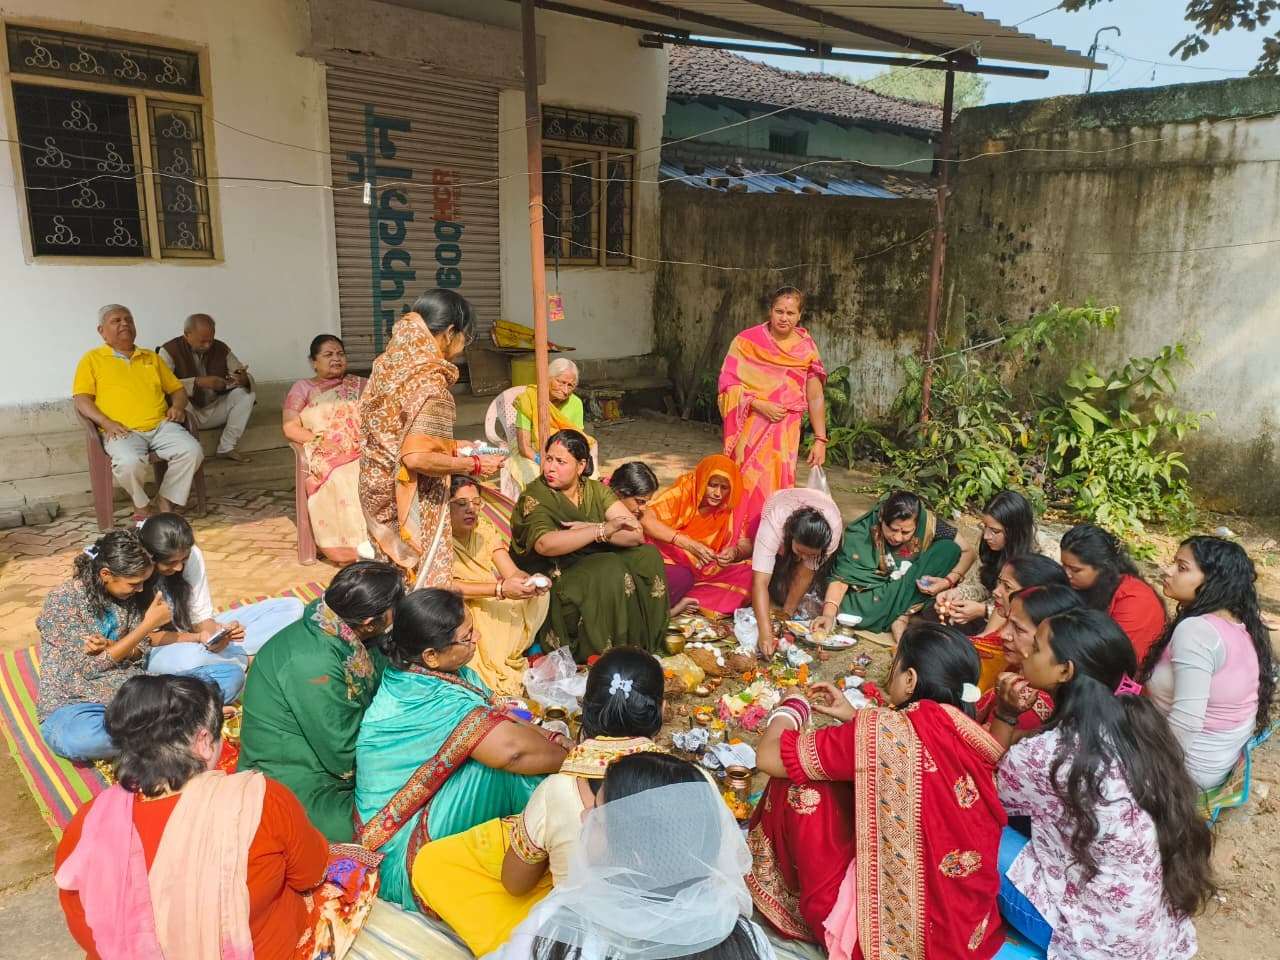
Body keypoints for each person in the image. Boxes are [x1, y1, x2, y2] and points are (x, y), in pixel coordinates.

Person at [748, 623, 1006, 959]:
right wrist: (854, 717)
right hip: (960, 931)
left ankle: (802, 903)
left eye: (895, 666)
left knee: (799, 783)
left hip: (885, 942)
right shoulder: (966, 731)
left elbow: (768, 758)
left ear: (910, 680)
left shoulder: (884, 732)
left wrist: (791, 709)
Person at [55, 675, 330, 960]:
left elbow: (83, 927)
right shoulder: (257, 799)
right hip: (270, 951)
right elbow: (310, 875)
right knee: (342, 874)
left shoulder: (89, 821)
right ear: (203, 741)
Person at [413, 647, 667, 954]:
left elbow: (515, 884)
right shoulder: (694, 782)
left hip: (579, 942)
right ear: (662, 708)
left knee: (431, 863)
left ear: (585, 707)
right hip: (672, 934)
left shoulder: (557, 791)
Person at [993, 607, 1213, 959]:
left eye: (1035, 648)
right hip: (1145, 931)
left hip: (1096, 942)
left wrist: (1005, 714)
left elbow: (986, 790)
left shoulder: (1048, 754)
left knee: (973, 833)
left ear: (1065, 671)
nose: (1025, 652)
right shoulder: (1136, 724)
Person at [354, 588, 568, 912]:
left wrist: (550, 737)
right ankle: (548, 850)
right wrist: (574, 758)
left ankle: (541, 845)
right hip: (398, 851)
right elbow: (511, 751)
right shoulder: (425, 695)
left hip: (427, 809)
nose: (478, 638)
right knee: (507, 769)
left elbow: (500, 716)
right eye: (467, 636)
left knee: (525, 754)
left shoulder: (441, 672)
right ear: (431, 655)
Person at [489, 751, 775, 960]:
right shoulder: (746, 940)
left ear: (635, 857)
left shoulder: (558, 932)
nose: (584, 815)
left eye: (598, 814)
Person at [37, 530, 244, 761]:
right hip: (77, 702)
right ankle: (185, 721)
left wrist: (115, 644)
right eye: (134, 584)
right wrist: (147, 625)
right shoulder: (62, 601)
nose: (140, 589)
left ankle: (168, 724)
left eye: (143, 582)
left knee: (231, 675)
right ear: (106, 574)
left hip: (136, 696)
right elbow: (89, 668)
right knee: (83, 740)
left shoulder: (129, 596)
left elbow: (140, 653)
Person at [237, 561, 404, 842]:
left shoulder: (347, 632)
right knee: (385, 822)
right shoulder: (312, 663)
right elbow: (342, 751)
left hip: (327, 754)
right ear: (368, 622)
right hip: (294, 776)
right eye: (396, 608)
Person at [360, 289, 505, 586]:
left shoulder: (389, 364)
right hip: (406, 496)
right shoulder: (429, 381)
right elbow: (416, 458)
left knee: (390, 573)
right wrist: (475, 465)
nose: (463, 348)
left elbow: (398, 431)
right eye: (465, 337)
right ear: (450, 333)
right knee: (419, 578)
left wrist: (451, 446)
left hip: (375, 485)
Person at [509, 430, 668, 659]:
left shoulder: (594, 490)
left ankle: (645, 643)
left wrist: (594, 529)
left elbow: (635, 534)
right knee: (609, 566)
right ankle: (604, 655)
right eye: (548, 459)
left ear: (581, 465)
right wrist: (600, 530)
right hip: (556, 571)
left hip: (591, 558)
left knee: (647, 555)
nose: (550, 468)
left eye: (561, 462)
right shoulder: (536, 496)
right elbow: (544, 544)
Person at [1142, 536, 1274, 790]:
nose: (1167, 571)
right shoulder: (1237, 623)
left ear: (1213, 581)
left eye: (1182, 568)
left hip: (1186, 769)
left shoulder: (1196, 631)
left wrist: (1156, 775)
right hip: (1217, 762)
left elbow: (1187, 721)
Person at [72, 304, 203, 518]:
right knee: (128, 463)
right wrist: (105, 422)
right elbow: (81, 399)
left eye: (129, 320)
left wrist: (178, 407)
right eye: (116, 321)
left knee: (192, 451)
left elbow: (178, 390)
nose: (125, 323)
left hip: (161, 426)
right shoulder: (92, 359)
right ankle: (141, 504)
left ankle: (166, 498)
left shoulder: (151, 357)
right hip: (122, 430)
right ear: (101, 331)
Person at [139, 512, 304, 672]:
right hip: (162, 648)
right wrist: (198, 639)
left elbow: (200, 616)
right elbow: (145, 639)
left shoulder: (191, 554)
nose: (179, 567)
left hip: (193, 634)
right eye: (170, 562)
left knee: (291, 607)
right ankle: (245, 659)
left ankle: (230, 658)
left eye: (184, 560)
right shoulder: (135, 570)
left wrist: (219, 635)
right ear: (151, 557)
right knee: (192, 659)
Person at [718, 286, 827, 527]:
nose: (784, 318)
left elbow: (816, 396)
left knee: (777, 486)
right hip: (750, 427)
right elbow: (728, 384)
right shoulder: (746, 342)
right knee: (746, 482)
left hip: (785, 433)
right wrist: (758, 404)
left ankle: (770, 537)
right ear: (770, 310)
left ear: (800, 315)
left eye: (790, 313)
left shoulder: (806, 348)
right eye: (779, 311)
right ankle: (736, 536)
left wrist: (820, 439)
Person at [814, 490, 975, 637]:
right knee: (851, 611)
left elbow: (969, 552)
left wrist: (947, 581)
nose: (897, 537)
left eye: (906, 532)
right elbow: (842, 578)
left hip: (910, 582)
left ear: (917, 524)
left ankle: (902, 615)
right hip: (873, 596)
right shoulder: (862, 532)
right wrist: (828, 615)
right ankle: (904, 614)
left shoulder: (928, 523)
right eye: (892, 529)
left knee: (948, 549)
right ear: (881, 518)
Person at [448, 475, 550, 695]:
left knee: (541, 596)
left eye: (476, 503)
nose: (471, 510)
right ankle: (497, 664)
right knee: (479, 616)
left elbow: (511, 572)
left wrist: (530, 582)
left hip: (495, 593)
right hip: (463, 603)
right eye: (462, 503)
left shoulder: (483, 529)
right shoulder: (439, 539)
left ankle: (514, 653)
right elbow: (446, 587)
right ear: (445, 507)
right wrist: (499, 589)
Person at [282, 334, 370, 564]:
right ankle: (352, 548)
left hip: (361, 447)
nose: (336, 359)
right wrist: (321, 441)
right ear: (314, 361)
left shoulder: (360, 385)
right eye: (328, 354)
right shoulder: (302, 388)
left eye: (340, 354)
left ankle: (383, 541)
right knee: (345, 477)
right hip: (326, 451)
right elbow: (290, 427)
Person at [641, 454, 753, 617]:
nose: (718, 493)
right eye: (712, 485)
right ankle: (679, 600)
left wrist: (735, 552)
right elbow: (645, 519)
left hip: (708, 568)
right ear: (702, 480)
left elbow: (746, 543)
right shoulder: (686, 489)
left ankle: (686, 599)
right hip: (669, 558)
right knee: (679, 577)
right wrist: (689, 545)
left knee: (750, 573)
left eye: (724, 488)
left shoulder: (735, 501)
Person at [932, 490, 1046, 632]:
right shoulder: (991, 546)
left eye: (995, 531)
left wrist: (984, 611)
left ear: (1015, 531)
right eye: (984, 527)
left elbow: (1037, 612)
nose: (986, 536)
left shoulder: (1043, 556)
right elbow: (981, 584)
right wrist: (957, 594)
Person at [750, 487, 843, 657]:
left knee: (796, 590)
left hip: (826, 508)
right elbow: (760, 582)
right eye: (800, 551)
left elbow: (805, 574)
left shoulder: (833, 534)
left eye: (811, 554)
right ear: (791, 537)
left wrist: (786, 615)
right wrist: (765, 631)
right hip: (780, 504)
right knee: (773, 582)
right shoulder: (774, 522)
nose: (803, 557)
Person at [978, 582, 1081, 736]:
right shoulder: (1017, 669)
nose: (1003, 634)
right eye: (1006, 622)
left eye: (1018, 628)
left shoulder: (1027, 703)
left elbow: (990, 747)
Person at [964, 553, 1071, 692]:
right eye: (999, 582)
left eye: (1007, 587)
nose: (996, 592)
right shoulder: (1006, 617)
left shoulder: (1031, 683)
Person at [158, 312, 255, 463]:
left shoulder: (221, 348)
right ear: (187, 335)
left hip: (214, 407)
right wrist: (198, 382)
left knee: (246, 395)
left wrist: (242, 379)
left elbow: (240, 371)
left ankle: (226, 447)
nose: (208, 345)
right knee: (176, 399)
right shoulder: (169, 350)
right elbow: (161, 385)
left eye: (210, 340)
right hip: (186, 412)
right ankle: (190, 454)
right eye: (202, 341)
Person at [1060, 524, 1166, 661]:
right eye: (1063, 566)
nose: (1066, 574)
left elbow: (1115, 657)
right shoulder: (1087, 586)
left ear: (1103, 568)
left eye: (1075, 570)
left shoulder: (1136, 600)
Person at [502, 357, 594, 496]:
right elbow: (524, 447)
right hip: (531, 452)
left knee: (582, 480)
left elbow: (576, 441)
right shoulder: (528, 399)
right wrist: (544, 460)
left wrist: (561, 462)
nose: (565, 390)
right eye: (561, 382)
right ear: (547, 378)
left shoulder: (575, 403)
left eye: (571, 385)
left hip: (564, 453)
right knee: (537, 479)